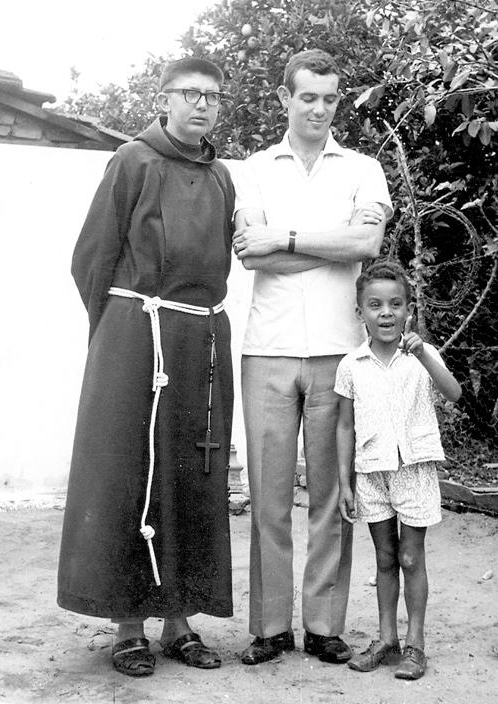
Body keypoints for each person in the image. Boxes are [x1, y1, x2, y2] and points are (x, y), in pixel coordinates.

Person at [57, 57, 235, 677]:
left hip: (199, 339)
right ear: (164, 99)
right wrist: (117, 336)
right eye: (190, 93)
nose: (202, 105)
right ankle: (128, 625)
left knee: (189, 470)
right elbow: (91, 259)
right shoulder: (131, 161)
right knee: (130, 473)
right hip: (136, 336)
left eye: (213, 96)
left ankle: (179, 620)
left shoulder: (220, 177)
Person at [231, 49, 393, 665]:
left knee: (332, 493)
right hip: (266, 350)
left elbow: (368, 241)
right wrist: (330, 247)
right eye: (309, 97)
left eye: (330, 98)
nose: (320, 109)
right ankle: (271, 628)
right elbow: (252, 252)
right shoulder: (251, 170)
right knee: (268, 497)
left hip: (337, 354)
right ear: (284, 99)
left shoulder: (362, 169)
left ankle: (325, 626)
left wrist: (289, 237)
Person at [335, 260, 462, 680]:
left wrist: (425, 353)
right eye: (375, 305)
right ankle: (386, 638)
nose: (385, 313)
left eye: (395, 304)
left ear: (409, 309)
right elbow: (345, 425)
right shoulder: (352, 364)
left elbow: (454, 393)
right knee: (385, 557)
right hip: (371, 472)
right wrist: (345, 482)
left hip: (415, 469)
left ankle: (416, 643)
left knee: (410, 556)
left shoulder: (420, 358)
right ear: (361, 313)